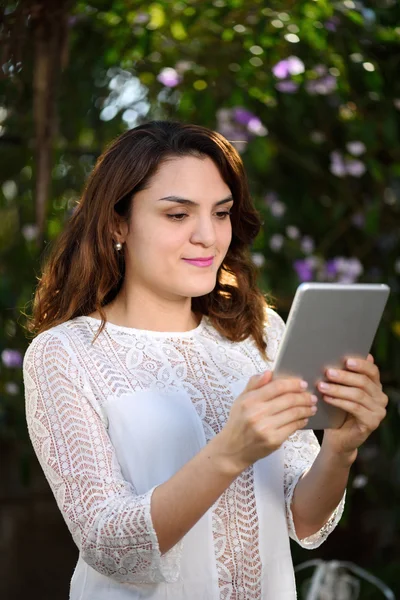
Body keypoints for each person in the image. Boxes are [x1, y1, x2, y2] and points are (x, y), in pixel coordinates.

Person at [23, 121, 388, 600]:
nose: (208, 237)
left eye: (221, 213)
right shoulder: (65, 354)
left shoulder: (261, 331)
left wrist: (341, 447)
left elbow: (303, 519)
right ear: (117, 222)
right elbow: (107, 545)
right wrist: (230, 452)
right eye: (177, 215)